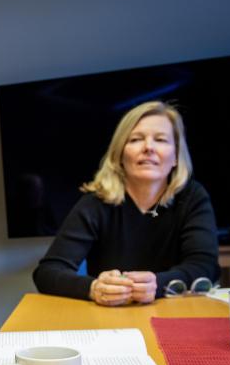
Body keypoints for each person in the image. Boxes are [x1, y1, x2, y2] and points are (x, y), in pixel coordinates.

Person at [33, 101, 219, 306]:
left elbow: (205, 267)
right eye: (136, 139)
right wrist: (94, 288)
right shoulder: (95, 203)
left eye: (160, 139)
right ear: (120, 154)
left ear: (175, 156)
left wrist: (157, 284)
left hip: (177, 315)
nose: (148, 147)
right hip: (111, 319)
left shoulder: (193, 196)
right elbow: (47, 272)